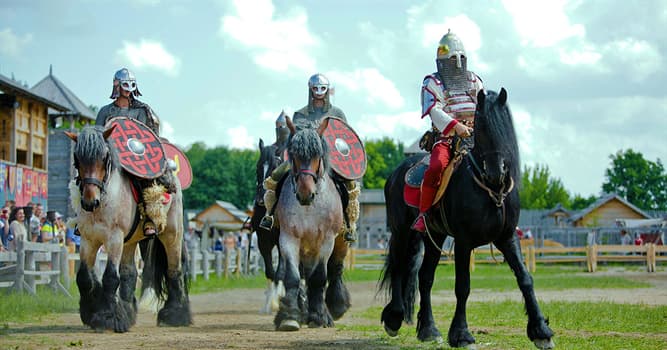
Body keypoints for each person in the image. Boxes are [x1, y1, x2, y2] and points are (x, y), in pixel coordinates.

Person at [259, 73, 361, 242]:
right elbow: (296, 136)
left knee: (350, 185)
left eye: (322, 89)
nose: (319, 92)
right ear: (311, 90)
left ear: (327, 90)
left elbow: (344, 136)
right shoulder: (300, 114)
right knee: (276, 176)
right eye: (316, 88)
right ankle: (270, 215)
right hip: (305, 158)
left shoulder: (337, 113)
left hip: (330, 157)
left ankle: (349, 225)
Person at [411, 29, 483, 233]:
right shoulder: (432, 82)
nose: (457, 63)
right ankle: (424, 214)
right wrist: (457, 127)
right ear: (443, 60)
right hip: (447, 138)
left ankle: (507, 220)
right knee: (435, 167)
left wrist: (476, 127)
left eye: (460, 58)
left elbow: (483, 106)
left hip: (475, 136)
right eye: (452, 59)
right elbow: (434, 110)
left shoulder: (474, 80)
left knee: (499, 162)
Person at [95, 68, 177, 237]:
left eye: (132, 85)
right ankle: (86, 219)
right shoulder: (105, 112)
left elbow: (149, 137)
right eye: (125, 85)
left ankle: (149, 218)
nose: (129, 89)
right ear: (117, 86)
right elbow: (99, 136)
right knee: (89, 177)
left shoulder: (143, 111)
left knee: (146, 181)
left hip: (136, 158)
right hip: (111, 157)